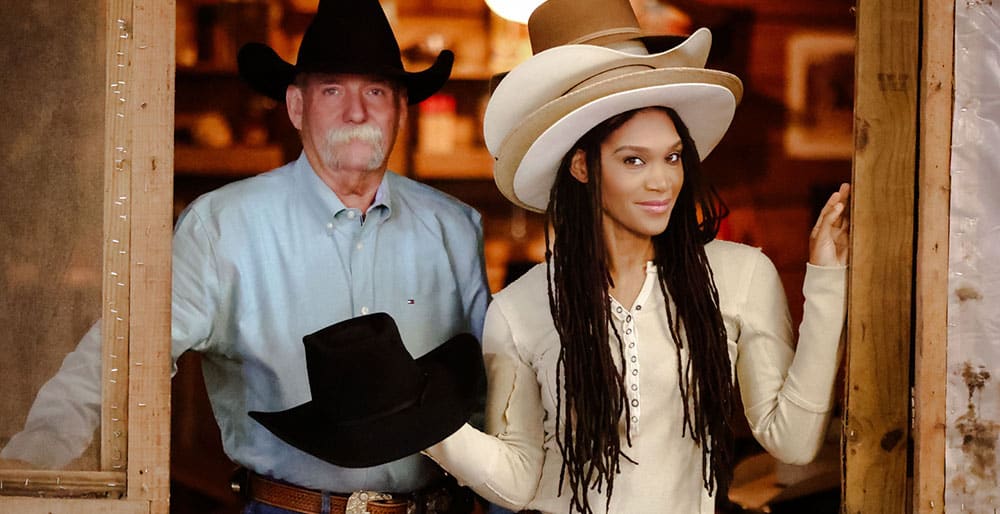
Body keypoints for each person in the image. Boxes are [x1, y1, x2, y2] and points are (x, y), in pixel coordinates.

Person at [1, 1, 490, 513]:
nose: (356, 111)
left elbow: (496, 390)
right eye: (332, 91)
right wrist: (30, 470)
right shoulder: (221, 228)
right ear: (296, 107)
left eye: (375, 92)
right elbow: (119, 356)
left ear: (401, 109)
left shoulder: (454, 229)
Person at [417, 0, 850, 513]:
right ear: (582, 166)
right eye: (633, 160)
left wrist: (827, 279)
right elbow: (519, 480)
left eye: (671, 156)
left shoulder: (740, 276)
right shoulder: (517, 310)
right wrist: (420, 427)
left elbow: (792, 441)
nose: (662, 180)